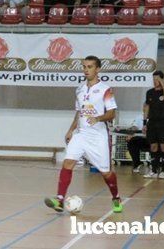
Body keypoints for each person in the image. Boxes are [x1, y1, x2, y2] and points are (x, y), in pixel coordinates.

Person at [44, 56, 123, 214]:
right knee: (67, 163)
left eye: (90, 67)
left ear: (98, 69)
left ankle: (116, 197)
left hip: (98, 136)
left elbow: (112, 113)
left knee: (106, 173)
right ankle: (59, 200)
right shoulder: (79, 89)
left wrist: (98, 118)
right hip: (81, 135)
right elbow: (79, 113)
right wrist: (71, 129)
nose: (86, 69)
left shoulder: (105, 89)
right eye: (84, 66)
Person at [143, 71, 164, 179]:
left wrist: (163, 86)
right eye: (153, 79)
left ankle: (163, 171)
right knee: (153, 146)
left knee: (163, 146)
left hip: (163, 123)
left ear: (161, 80)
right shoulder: (149, 92)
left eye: (157, 79)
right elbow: (147, 108)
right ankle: (154, 170)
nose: (155, 82)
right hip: (152, 123)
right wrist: (145, 123)